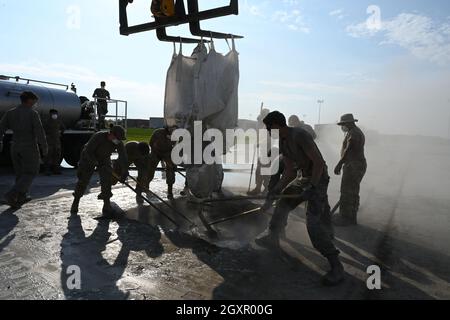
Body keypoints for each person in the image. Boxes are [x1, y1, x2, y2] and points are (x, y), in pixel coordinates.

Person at [255, 111, 344, 286]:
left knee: (313, 223)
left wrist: (312, 187)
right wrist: (276, 190)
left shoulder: (300, 135)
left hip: (318, 178)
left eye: (269, 127)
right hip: (302, 178)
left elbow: (318, 163)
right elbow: (289, 171)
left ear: (277, 125)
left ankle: (336, 266)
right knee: (283, 203)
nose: (267, 130)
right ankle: (272, 237)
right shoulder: (283, 141)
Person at [0, 91, 48, 208]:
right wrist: (44, 147)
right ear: (29, 100)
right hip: (29, 147)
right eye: (35, 101)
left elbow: (1, 128)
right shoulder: (32, 113)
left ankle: (21, 197)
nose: (36, 103)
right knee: (32, 171)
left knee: (20, 173)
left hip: (15, 146)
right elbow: (39, 132)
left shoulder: (10, 113)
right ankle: (11, 194)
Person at [70, 125, 128, 217]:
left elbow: (123, 157)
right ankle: (76, 201)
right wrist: (95, 163)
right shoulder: (99, 136)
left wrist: (125, 171)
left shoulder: (118, 142)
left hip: (104, 158)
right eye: (116, 138)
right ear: (111, 134)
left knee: (107, 180)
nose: (117, 140)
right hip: (88, 157)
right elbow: (88, 151)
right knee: (83, 180)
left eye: (119, 139)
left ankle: (106, 205)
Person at [333, 114, 367, 226]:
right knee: (351, 191)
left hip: (354, 166)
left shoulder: (354, 133)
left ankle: (347, 218)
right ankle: (348, 216)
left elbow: (349, 150)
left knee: (348, 192)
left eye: (343, 124)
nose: (342, 127)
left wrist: (339, 164)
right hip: (353, 165)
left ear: (348, 123)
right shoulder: (352, 132)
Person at [248, 108, 272, 196]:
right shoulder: (263, 124)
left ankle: (266, 189)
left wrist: (259, 143)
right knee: (259, 170)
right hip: (264, 151)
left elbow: (269, 139)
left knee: (265, 170)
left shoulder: (271, 125)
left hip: (270, 152)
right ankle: (258, 188)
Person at [148, 127, 176, 200]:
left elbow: (175, 147)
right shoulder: (158, 132)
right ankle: (146, 185)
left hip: (167, 153)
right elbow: (151, 142)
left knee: (170, 170)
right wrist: (156, 152)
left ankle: (170, 191)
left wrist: (173, 163)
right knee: (150, 168)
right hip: (156, 152)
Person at [43, 109, 65, 175]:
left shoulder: (58, 121)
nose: (54, 115)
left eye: (55, 113)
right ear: (50, 114)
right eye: (53, 113)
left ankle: (56, 170)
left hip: (57, 141)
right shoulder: (46, 121)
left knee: (57, 155)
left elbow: (63, 128)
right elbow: (42, 130)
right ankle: (47, 170)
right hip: (49, 141)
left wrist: (60, 132)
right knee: (48, 155)